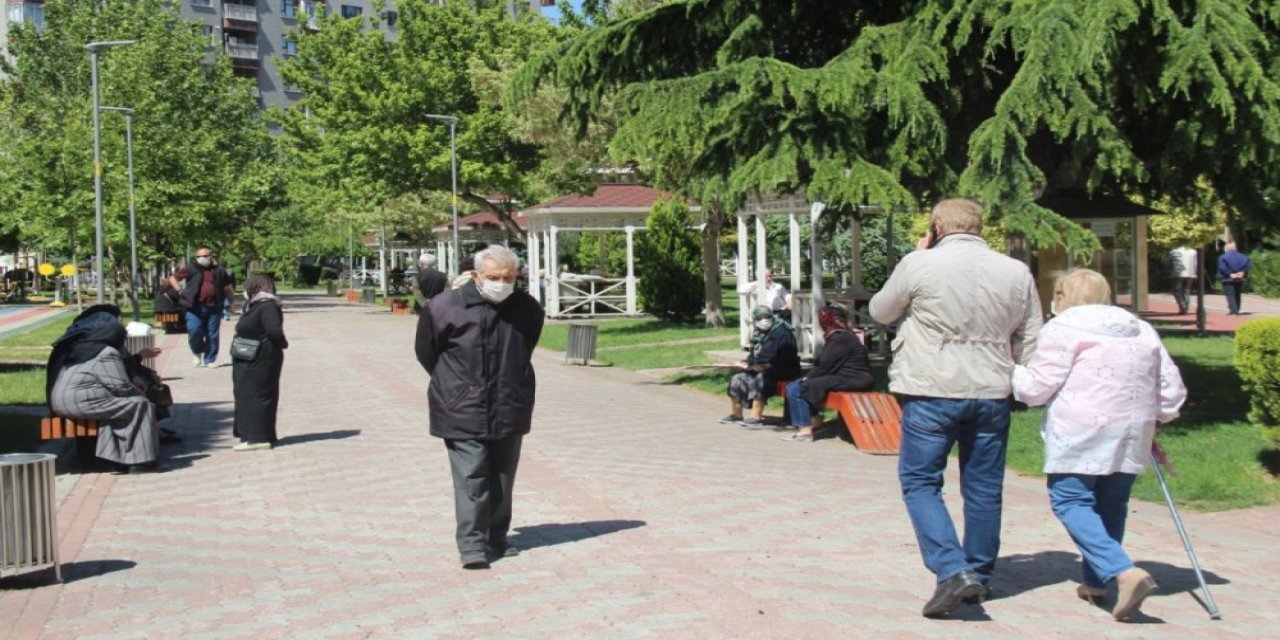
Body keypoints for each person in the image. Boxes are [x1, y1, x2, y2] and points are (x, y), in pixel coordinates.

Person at [869, 198, 1042, 618]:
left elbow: (880, 311)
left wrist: (920, 254)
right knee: (984, 487)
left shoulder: (919, 263)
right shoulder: (1016, 271)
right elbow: (1032, 334)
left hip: (932, 387)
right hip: (990, 389)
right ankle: (979, 574)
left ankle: (951, 569)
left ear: (936, 226)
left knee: (920, 481)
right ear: (981, 227)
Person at [1012, 268, 1186, 621]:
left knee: (1069, 499)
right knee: (1112, 502)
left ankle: (1123, 571)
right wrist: (1160, 417)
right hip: (1134, 427)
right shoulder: (1141, 328)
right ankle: (1097, 582)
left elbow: (1036, 388)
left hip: (1081, 427)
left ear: (1061, 296)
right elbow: (1170, 387)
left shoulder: (1063, 328)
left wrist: (1012, 369)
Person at [416, 245, 544, 569]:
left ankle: (496, 539)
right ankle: (472, 545)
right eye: (494, 277)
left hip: (509, 401)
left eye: (508, 277)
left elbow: (525, 347)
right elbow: (426, 352)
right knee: (472, 475)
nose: (501, 283)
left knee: (502, 477)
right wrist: (456, 384)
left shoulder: (527, 308)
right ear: (476, 276)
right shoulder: (444, 308)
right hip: (462, 404)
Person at [46, 305, 165, 473]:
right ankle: (139, 461)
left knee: (121, 408)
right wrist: (139, 394)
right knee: (140, 405)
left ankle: (118, 457)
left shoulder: (85, 346)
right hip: (77, 402)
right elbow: (120, 386)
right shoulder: (106, 352)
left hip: (64, 400)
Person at [780, 305, 874, 442]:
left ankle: (805, 430)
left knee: (797, 388)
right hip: (848, 377)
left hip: (854, 379)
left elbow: (825, 364)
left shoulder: (840, 337)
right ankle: (816, 422)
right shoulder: (842, 336)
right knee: (798, 385)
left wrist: (808, 378)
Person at [231, 276, 288, 452]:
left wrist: (282, 343)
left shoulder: (268, 306)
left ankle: (258, 438)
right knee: (245, 394)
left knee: (257, 394)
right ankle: (250, 434)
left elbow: (274, 331)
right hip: (249, 359)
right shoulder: (255, 305)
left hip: (261, 359)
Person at [720, 306, 802, 429]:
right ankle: (736, 414)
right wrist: (747, 363)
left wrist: (766, 366)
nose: (764, 320)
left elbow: (786, 358)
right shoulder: (759, 333)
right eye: (760, 318)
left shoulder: (783, 333)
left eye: (767, 317)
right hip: (762, 367)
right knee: (737, 378)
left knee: (761, 379)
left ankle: (755, 416)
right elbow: (755, 354)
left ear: (772, 317)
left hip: (783, 369)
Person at [166, 248, 236, 367]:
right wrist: (179, 289)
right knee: (194, 330)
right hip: (194, 307)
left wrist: (232, 302)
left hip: (214, 307)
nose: (201, 258)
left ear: (210, 256)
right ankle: (197, 352)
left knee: (212, 334)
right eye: (199, 256)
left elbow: (227, 287)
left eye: (204, 256)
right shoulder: (191, 268)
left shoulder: (219, 270)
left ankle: (210, 360)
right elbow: (173, 278)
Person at [1216, 242, 1251, 315]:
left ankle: (1234, 310)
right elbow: (1248, 265)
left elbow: (1222, 267)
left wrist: (1230, 274)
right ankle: (1236, 309)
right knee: (1237, 294)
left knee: (1230, 294)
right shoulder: (1244, 256)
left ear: (1226, 249)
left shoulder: (1223, 257)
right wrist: (1242, 272)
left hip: (1227, 278)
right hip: (1240, 278)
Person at [1166, 246, 1198, 315]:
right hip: (1190, 273)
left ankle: (1182, 305)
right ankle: (1185, 308)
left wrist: (1168, 272)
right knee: (1187, 291)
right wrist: (1195, 272)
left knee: (1177, 291)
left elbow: (1169, 263)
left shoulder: (1174, 251)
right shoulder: (1193, 251)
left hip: (1177, 273)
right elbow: (1196, 263)